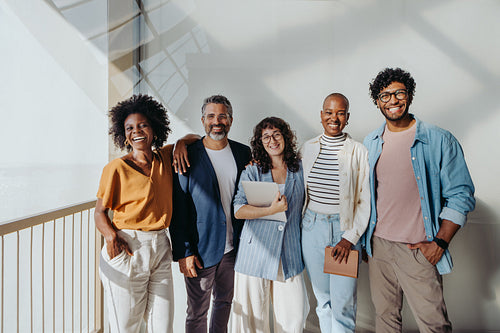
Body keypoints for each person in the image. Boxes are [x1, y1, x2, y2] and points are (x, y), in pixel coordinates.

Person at [363, 67, 475, 332]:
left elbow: (461, 194)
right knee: (385, 319)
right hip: (378, 248)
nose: (393, 100)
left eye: (399, 93)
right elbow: (365, 195)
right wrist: (365, 240)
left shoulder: (438, 139)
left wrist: (439, 242)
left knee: (433, 324)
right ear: (377, 102)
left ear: (410, 95)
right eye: (385, 95)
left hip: (418, 248)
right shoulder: (371, 142)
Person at [169, 95, 252, 333]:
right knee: (197, 312)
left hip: (234, 249)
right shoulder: (187, 154)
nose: (217, 121)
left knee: (224, 302)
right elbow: (179, 208)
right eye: (211, 116)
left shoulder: (242, 152)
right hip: (201, 250)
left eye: (222, 116)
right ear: (203, 120)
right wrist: (184, 252)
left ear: (231, 120)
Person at [95, 94, 177, 333]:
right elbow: (99, 212)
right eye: (129, 128)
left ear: (154, 128)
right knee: (126, 328)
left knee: (162, 326)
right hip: (128, 247)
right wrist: (110, 236)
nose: (136, 131)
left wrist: (182, 144)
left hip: (161, 246)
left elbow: (194, 139)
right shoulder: (116, 169)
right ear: (124, 134)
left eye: (142, 125)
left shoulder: (164, 158)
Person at [301, 93, 370, 332]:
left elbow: (365, 200)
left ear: (347, 117)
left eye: (340, 113)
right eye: (329, 112)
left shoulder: (358, 151)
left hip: (344, 231)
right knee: (323, 302)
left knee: (343, 304)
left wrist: (349, 238)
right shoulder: (307, 148)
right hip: (311, 229)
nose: (334, 118)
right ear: (321, 116)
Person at [231, 117, 307, 333]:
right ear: (260, 142)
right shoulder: (253, 171)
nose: (272, 140)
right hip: (255, 254)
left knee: (294, 319)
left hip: (289, 253)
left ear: (285, 137)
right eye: (266, 137)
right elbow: (238, 210)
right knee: (252, 322)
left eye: (276, 134)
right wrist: (270, 211)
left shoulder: (300, 169)